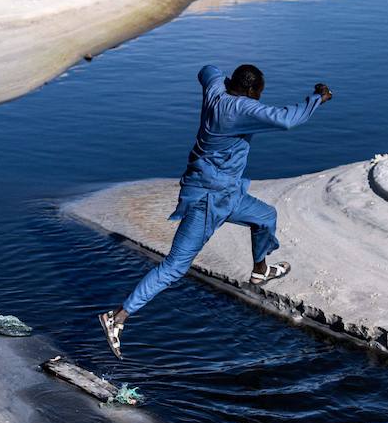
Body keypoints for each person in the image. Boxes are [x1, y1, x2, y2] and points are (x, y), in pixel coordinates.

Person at [99, 64, 332, 357]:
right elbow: (286, 120)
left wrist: (220, 78)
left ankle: (260, 271)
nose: (258, 100)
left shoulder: (216, 91)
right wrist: (317, 98)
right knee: (175, 267)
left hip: (229, 194)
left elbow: (206, 69)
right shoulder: (239, 109)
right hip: (207, 200)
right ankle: (117, 317)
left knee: (266, 217)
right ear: (250, 92)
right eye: (258, 94)